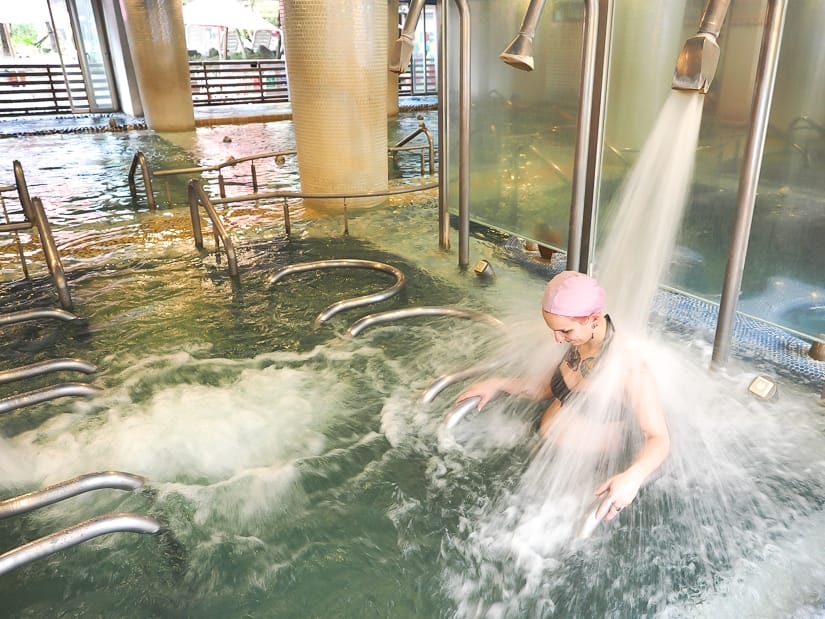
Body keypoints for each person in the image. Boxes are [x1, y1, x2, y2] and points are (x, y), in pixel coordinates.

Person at [456, 270, 670, 523]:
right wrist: (499, 385)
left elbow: (658, 437)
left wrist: (633, 477)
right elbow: (546, 388)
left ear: (592, 318)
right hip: (542, 454)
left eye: (564, 331)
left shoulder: (629, 367)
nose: (557, 339)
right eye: (555, 331)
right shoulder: (580, 339)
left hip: (585, 476)